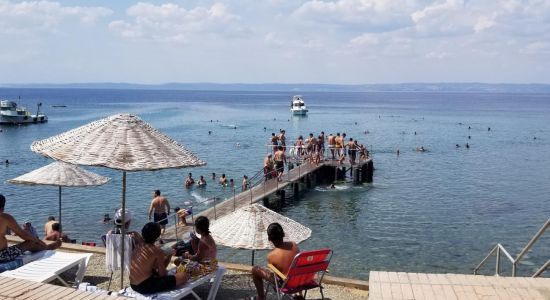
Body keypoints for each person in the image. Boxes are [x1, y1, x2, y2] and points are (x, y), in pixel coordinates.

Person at [130, 222, 189, 294]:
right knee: (184, 276)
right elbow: (162, 274)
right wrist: (169, 255)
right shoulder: (157, 251)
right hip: (144, 286)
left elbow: (135, 233)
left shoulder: (138, 245)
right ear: (157, 236)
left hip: (133, 284)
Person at [0, 194, 60, 263]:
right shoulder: (5, 217)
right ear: (2, 207)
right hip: (2, 255)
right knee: (30, 243)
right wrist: (39, 241)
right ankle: (48, 247)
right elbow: (23, 235)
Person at [251, 223, 299, 300]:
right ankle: (299, 296)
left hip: (285, 284)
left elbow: (277, 276)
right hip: (300, 281)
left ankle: (261, 298)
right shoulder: (294, 245)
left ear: (269, 239)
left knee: (255, 269)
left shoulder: (271, 255)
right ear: (283, 234)